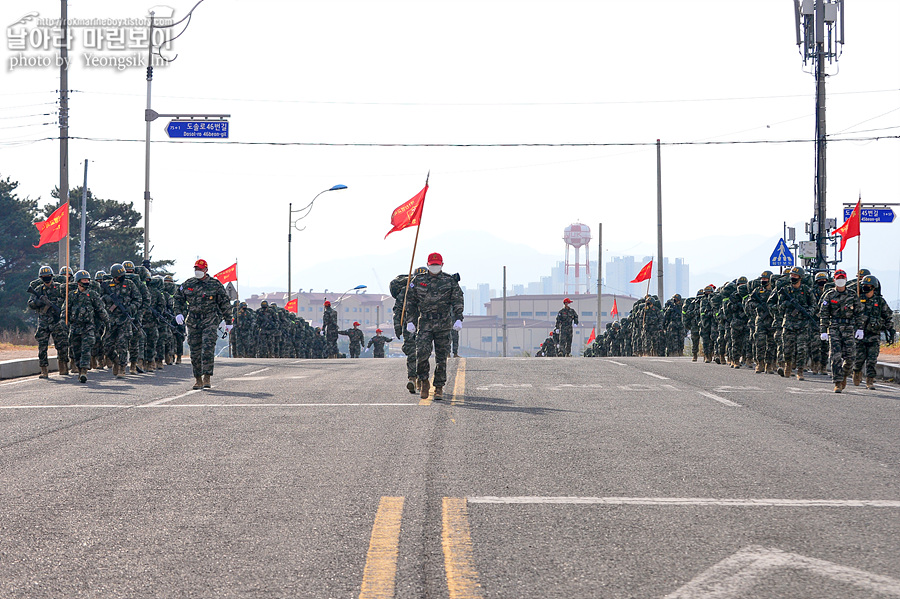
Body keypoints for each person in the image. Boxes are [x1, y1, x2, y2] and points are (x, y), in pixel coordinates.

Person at [405, 252, 464, 400]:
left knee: (442, 357)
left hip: (443, 323)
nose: (435, 267)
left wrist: (459, 318)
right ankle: (424, 381)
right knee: (422, 354)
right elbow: (410, 302)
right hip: (424, 323)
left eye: (437, 265)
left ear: (442, 265)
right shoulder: (418, 281)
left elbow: (457, 300)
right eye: (432, 265)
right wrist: (410, 321)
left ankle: (439, 387)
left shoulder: (449, 281)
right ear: (427, 265)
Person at [174, 259, 232, 389]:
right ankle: (197, 379)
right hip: (193, 321)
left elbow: (225, 303)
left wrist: (229, 321)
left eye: (200, 269)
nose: (197, 271)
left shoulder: (215, 285)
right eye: (196, 269)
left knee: (207, 348)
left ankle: (207, 377)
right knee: (194, 351)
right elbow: (177, 298)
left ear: (206, 270)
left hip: (210, 320)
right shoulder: (189, 284)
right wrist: (178, 313)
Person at [818, 269, 864, 393]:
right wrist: (823, 330)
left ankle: (844, 375)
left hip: (849, 328)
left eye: (842, 278)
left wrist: (860, 328)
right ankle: (838, 382)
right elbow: (824, 314)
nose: (840, 280)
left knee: (850, 357)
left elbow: (859, 313)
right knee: (835, 356)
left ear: (846, 279)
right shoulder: (829, 295)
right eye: (838, 278)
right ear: (834, 280)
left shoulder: (852, 294)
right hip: (834, 328)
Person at [27, 265, 70, 378]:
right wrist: (40, 302)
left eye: (48, 276)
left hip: (57, 321)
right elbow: (30, 304)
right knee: (42, 346)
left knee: (62, 345)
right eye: (44, 277)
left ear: (52, 276)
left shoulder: (60, 287)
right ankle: (44, 369)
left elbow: (67, 300)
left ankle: (63, 367)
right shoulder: (38, 290)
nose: (47, 278)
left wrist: (55, 303)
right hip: (43, 322)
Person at [853, 275, 895, 389]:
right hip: (860, 335)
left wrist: (890, 330)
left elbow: (887, 316)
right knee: (859, 359)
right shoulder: (857, 299)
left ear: (874, 287)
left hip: (873, 335)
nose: (866, 288)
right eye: (864, 286)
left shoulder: (880, 302)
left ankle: (870, 380)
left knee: (872, 360)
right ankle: (857, 372)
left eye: (868, 286)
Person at [66, 270, 109, 383]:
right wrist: (62, 320)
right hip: (75, 327)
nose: (86, 282)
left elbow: (100, 309)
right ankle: (80, 370)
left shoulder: (93, 295)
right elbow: (65, 310)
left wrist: (106, 321)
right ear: (78, 281)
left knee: (86, 349)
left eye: (87, 280)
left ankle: (84, 371)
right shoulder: (71, 295)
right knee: (76, 351)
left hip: (88, 327)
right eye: (84, 280)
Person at [101, 263, 142, 378]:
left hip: (124, 320)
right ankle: (116, 361)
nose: (122, 277)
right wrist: (108, 300)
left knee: (122, 344)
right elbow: (99, 299)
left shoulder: (129, 284)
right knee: (106, 345)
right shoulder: (107, 285)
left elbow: (138, 299)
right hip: (111, 320)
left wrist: (130, 309)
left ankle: (122, 368)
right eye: (119, 276)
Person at [774, 266, 815, 380]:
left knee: (802, 349)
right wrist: (787, 304)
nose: (793, 277)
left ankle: (800, 371)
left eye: (795, 276)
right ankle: (788, 366)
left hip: (803, 325)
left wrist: (807, 312)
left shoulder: (807, 290)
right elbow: (779, 308)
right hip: (789, 324)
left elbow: (814, 305)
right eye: (792, 275)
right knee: (787, 349)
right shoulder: (785, 290)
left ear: (801, 277)